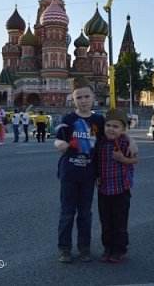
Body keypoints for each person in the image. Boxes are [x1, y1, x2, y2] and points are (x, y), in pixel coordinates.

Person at [54, 77, 105, 263]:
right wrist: (59, 142)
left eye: (86, 96)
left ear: (93, 97)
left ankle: (84, 248)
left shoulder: (98, 120)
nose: (83, 100)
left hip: (88, 174)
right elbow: (58, 138)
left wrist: (131, 143)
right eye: (79, 97)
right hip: (69, 173)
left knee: (85, 213)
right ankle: (64, 249)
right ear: (73, 99)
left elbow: (103, 144)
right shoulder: (69, 119)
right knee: (67, 212)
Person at [96, 109, 138, 263]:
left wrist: (122, 159)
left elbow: (135, 161)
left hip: (121, 189)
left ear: (123, 129)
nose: (111, 129)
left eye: (115, 126)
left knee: (120, 222)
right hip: (104, 189)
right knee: (105, 222)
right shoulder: (100, 141)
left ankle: (120, 249)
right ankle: (108, 248)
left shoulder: (125, 143)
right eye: (108, 125)